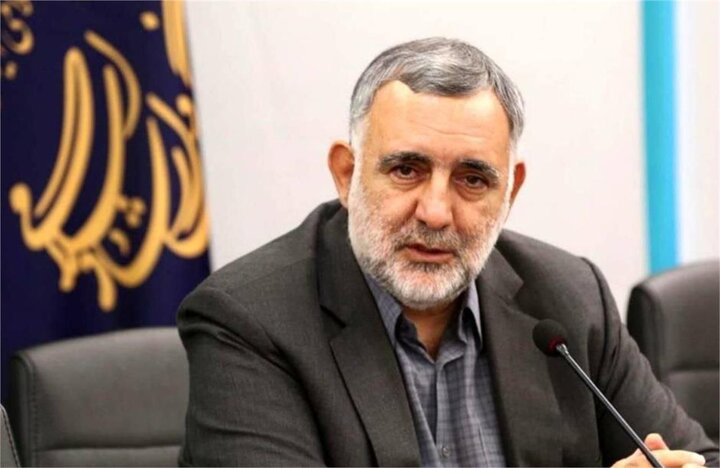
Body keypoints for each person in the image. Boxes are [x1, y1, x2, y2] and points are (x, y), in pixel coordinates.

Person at [177, 37, 718, 467]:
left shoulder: (570, 298)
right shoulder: (250, 319)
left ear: (510, 192)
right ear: (346, 174)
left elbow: (698, 458)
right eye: (406, 170)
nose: (436, 212)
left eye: (472, 179)